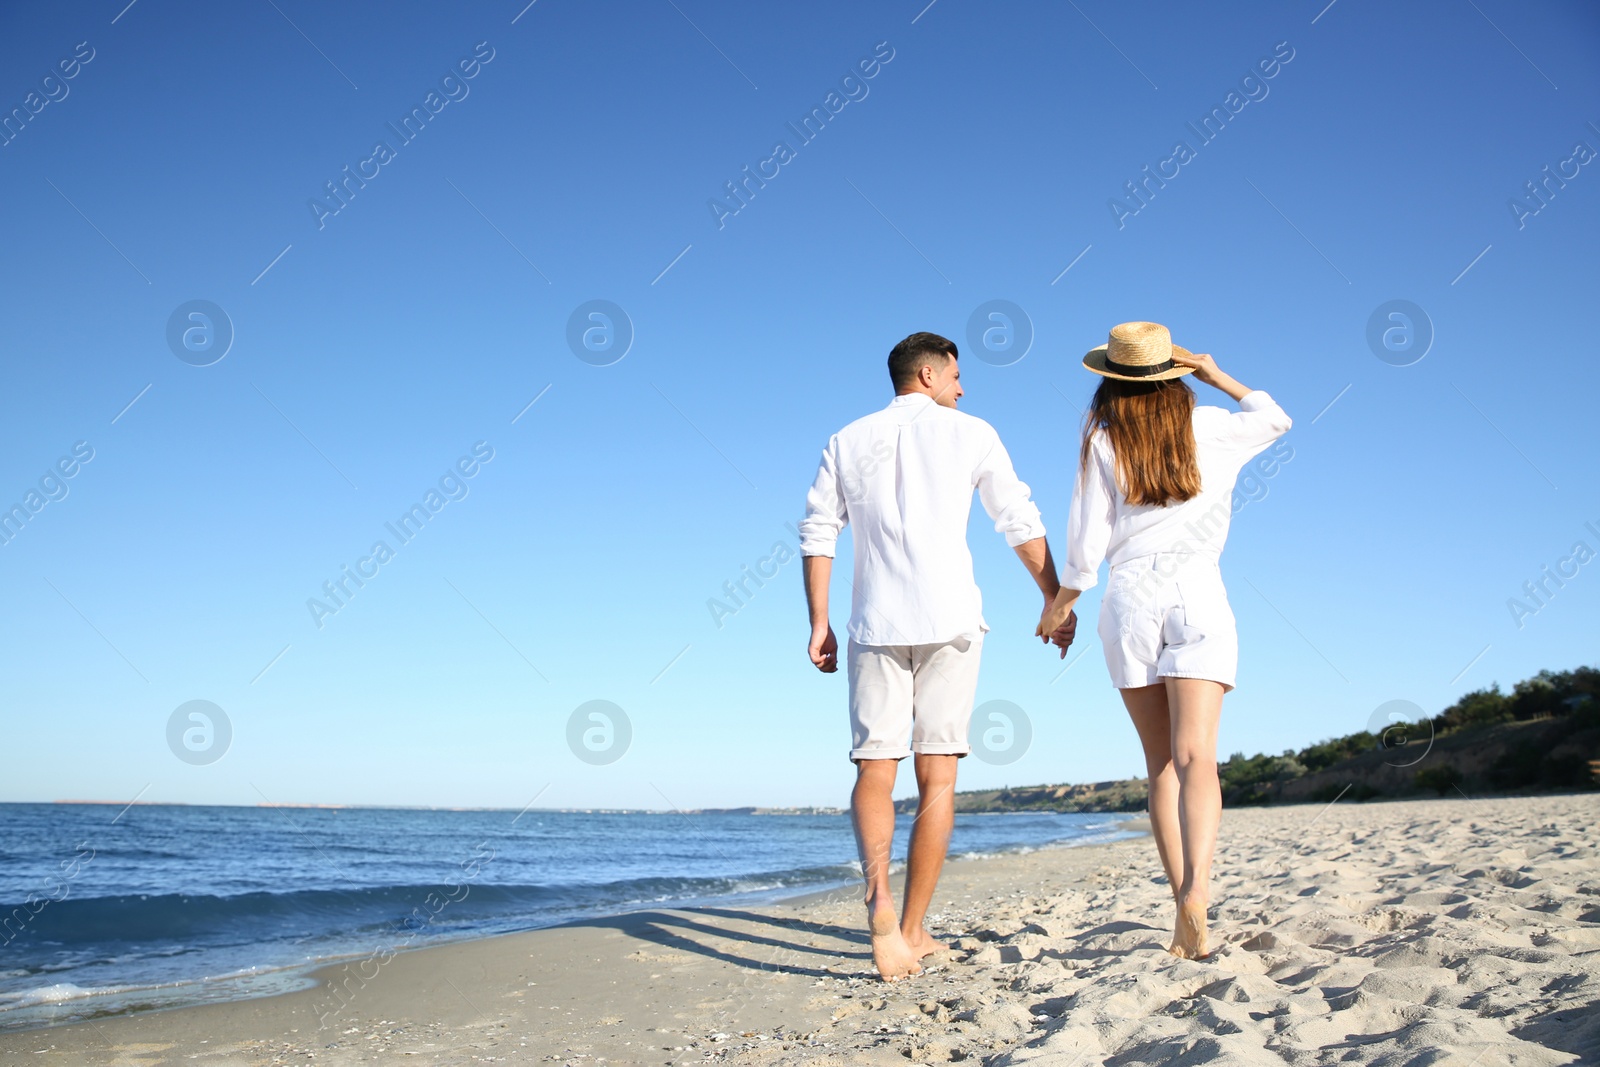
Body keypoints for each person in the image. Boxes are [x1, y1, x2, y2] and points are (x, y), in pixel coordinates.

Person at [798, 331, 1074, 981]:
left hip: (874, 621)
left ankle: (881, 905)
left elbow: (817, 532)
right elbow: (1018, 518)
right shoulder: (972, 432)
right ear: (927, 374)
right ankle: (914, 929)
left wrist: (819, 622)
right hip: (951, 620)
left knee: (873, 765)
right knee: (938, 778)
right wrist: (1054, 599)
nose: (962, 387)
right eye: (955, 375)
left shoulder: (845, 439)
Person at [1037, 321, 1291, 960]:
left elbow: (1086, 542)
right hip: (1198, 588)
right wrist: (1213, 371)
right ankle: (1200, 891)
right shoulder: (1210, 427)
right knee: (1197, 757)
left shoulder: (1102, 435)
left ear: (1111, 380)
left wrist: (1060, 607)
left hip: (1130, 600)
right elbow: (1275, 418)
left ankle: (1180, 894)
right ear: (1172, 373)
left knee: (1159, 765)